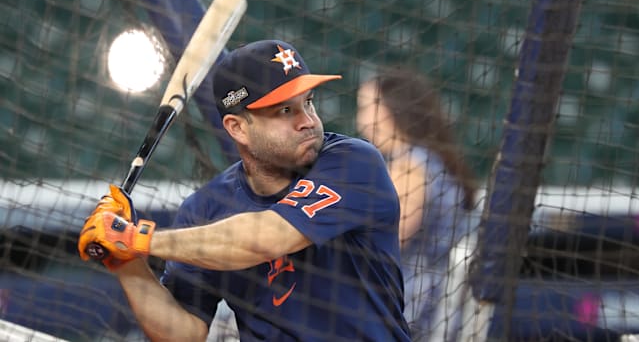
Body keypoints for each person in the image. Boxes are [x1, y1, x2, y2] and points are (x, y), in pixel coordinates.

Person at [78, 39, 411, 342]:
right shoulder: (205, 208)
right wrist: (123, 260)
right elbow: (183, 333)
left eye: (308, 102)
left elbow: (267, 237)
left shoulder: (353, 162)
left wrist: (138, 238)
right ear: (237, 128)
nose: (307, 120)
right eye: (285, 110)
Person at [356, 68, 479, 341]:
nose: (361, 121)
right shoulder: (429, 160)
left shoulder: (410, 167)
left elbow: (382, 245)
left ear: (394, 109)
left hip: (411, 307)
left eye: (367, 108)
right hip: (429, 304)